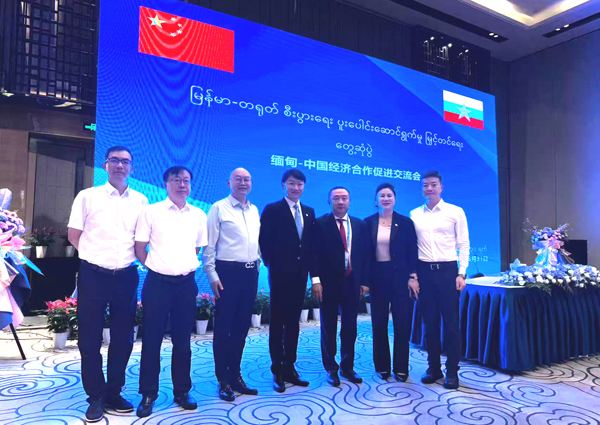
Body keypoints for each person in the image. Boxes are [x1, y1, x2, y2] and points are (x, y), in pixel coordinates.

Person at [67, 146, 148, 422]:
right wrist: (95, 258)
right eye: (115, 160)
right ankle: (95, 396)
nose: (120, 165)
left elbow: (141, 240)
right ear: (106, 165)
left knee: (123, 337)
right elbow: (74, 235)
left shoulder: (141, 201)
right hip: (93, 275)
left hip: (126, 276)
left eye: (125, 161)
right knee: (89, 337)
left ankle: (114, 391)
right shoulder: (87, 196)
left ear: (132, 168)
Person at [134, 166, 207, 417]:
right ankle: (148, 394)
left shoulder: (198, 214)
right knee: (151, 340)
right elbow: (140, 248)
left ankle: (182, 391)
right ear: (166, 184)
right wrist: (158, 267)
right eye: (176, 180)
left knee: (183, 341)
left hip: (186, 285)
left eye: (186, 180)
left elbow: (197, 249)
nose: (182, 185)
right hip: (157, 284)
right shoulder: (151, 212)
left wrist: (179, 268)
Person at [203, 168, 261, 401]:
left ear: (251, 183)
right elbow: (209, 245)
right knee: (224, 328)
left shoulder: (254, 209)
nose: (243, 183)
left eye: (247, 179)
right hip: (227, 274)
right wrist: (212, 274)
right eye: (238, 179)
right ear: (229, 182)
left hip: (250, 273)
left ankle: (236, 375)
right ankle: (224, 380)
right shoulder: (218, 208)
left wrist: (257, 263)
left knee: (241, 328)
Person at [410, 171, 470, 390]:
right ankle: (433, 368)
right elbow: (412, 248)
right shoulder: (414, 214)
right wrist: (414, 276)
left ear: (441, 187)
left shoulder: (455, 211)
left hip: (448, 272)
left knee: (451, 325)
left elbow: (464, 244)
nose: (429, 188)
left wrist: (461, 273)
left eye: (433, 184)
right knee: (430, 324)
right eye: (425, 185)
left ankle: (452, 371)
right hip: (425, 272)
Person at [259, 169, 315, 393]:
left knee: (293, 322)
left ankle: (290, 366)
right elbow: (264, 241)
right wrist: (273, 264)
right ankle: (278, 370)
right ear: (283, 185)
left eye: (299, 184)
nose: (296, 188)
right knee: (278, 322)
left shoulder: (309, 212)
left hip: (300, 276)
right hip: (280, 275)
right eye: (291, 183)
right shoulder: (273, 209)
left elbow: (309, 245)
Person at [312, 186, 370, 387]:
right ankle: (331, 368)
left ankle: (347, 366)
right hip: (327, 284)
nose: (340, 202)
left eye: (344, 198)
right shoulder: (320, 224)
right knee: (328, 327)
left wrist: (365, 281)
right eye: (336, 198)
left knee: (350, 327)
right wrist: (316, 280)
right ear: (329, 202)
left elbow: (365, 255)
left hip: (352, 282)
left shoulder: (360, 225)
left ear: (349, 201)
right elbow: (314, 255)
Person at [364, 183, 418, 382]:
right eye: (382, 196)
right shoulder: (368, 223)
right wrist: (364, 281)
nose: (386, 199)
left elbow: (413, 252)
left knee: (402, 323)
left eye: (389, 195)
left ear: (394, 199)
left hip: (400, 278)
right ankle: (382, 366)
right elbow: (364, 256)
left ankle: (401, 367)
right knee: (379, 323)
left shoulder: (406, 223)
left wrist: (413, 277)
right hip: (377, 278)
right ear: (376, 200)